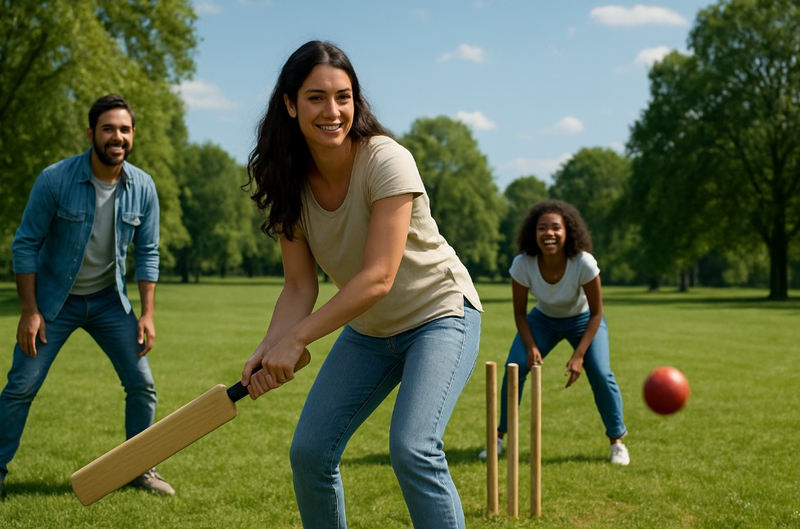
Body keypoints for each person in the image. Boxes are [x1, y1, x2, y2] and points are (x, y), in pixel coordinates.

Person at [240, 41, 482, 528]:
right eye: (315, 97)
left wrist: (298, 338)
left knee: (413, 449)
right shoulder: (288, 181)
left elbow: (378, 277)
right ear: (289, 104)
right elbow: (297, 287)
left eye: (343, 96)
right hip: (370, 332)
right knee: (310, 452)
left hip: (438, 315)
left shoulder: (386, 160)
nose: (333, 111)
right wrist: (270, 346)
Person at [0, 94, 174, 498]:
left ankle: (139, 468)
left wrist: (147, 314)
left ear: (133, 136)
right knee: (21, 386)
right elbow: (25, 244)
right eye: (109, 128)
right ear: (91, 133)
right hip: (52, 304)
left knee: (142, 385)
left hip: (110, 302)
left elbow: (148, 252)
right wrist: (29, 311)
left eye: (125, 130)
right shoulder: (55, 179)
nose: (118, 137)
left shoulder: (144, 187)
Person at [479, 200, 629, 465]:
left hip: (583, 319)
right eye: (542, 228)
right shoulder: (523, 264)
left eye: (556, 228)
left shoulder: (583, 262)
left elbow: (596, 313)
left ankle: (617, 442)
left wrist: (579, 355)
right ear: (533, 233)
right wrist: (531, 346)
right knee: (514, 366)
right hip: (543, 320)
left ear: (568, 232)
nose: (549, 233)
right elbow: (520, 314)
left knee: (601, 372)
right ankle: (498, 439)